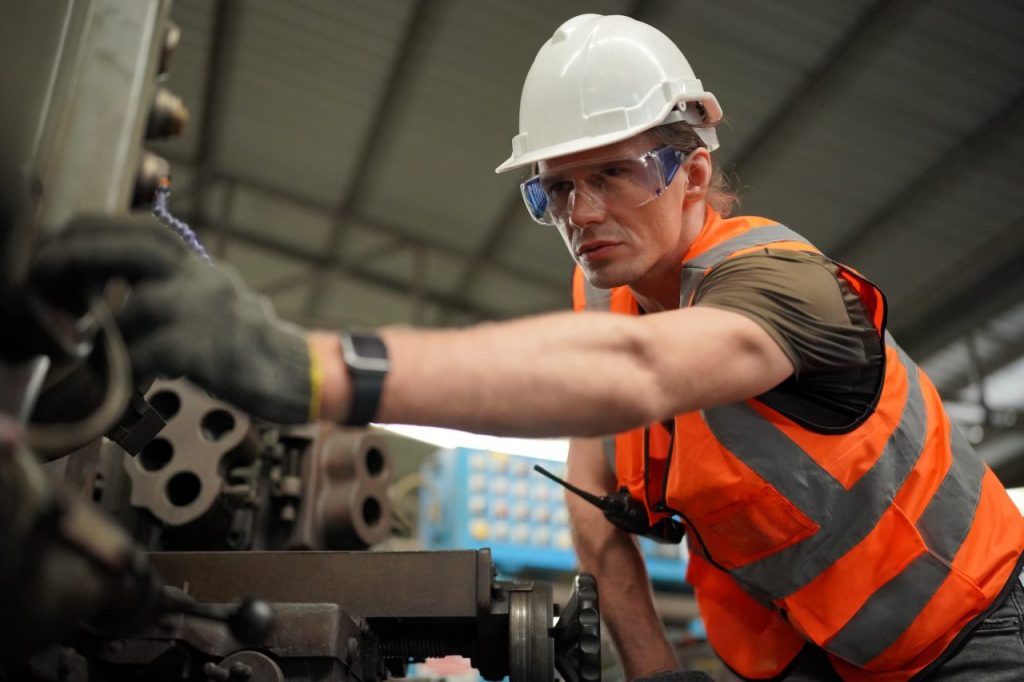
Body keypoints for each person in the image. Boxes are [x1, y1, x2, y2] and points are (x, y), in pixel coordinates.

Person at [31, 13, 1024, 682]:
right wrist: (654, 670)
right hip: (819, 658)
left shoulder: (784, 288)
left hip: (975, 635)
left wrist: (313, 368)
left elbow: (632, 375)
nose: (580, 214)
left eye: (613, 173)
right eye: (555, 189)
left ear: (692, 171)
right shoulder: (607, 293)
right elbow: (596, 516)